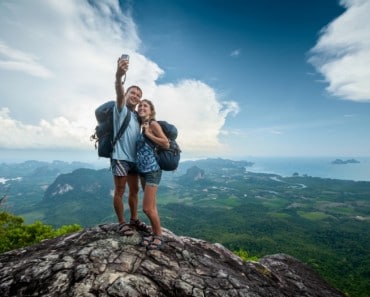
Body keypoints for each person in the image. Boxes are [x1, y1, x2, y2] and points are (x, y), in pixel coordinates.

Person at [112, 56, 150, 236]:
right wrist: (119, 76)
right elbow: (119, 92)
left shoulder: (136, 117)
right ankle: (121, 223)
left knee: (134, 191)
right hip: (120, 156)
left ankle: (134, 219)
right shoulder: (120, 109)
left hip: (134, 160)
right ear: (127, 95)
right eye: (132, 93)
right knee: (120, 191)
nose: (135, 96)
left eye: (138, 95)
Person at [136, 99, 169, 250]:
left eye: (145, 106)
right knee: (152, 206)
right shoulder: (140, 126)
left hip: (153, 171)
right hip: (143, 171)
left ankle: (159, 236)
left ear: (151, 111)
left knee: (147, 208)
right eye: (140, 106)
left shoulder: (153, 124)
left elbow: (165, 143)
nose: (142, 107)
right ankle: (155, 232)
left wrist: (149, 134)